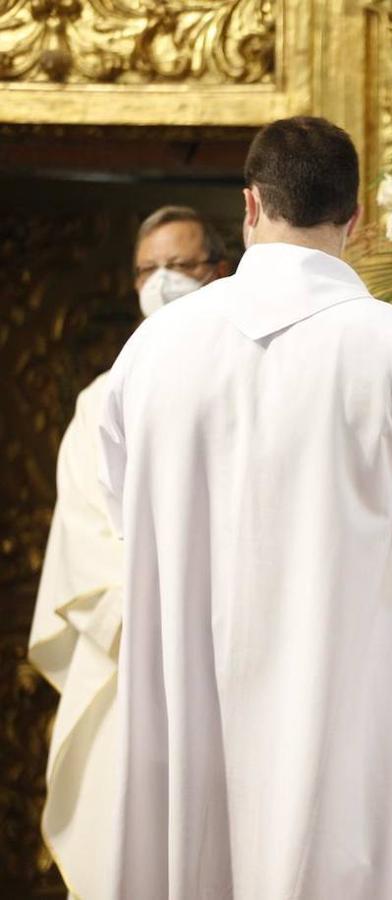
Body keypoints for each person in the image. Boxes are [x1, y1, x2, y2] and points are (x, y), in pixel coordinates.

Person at [98, 116, 392, 898]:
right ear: (354, 222)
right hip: (342, 672)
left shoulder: (151, 349)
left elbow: (128, 506)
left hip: (189, 671)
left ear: (250, 207)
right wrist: (379, 578)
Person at [28, 205, 230, 899]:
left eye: (182, 265)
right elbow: (87, 541)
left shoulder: (255, 387)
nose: (164, 282)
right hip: (135, 671)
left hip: (236, 665)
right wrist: (166, 620)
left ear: (221, 271)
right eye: (150, 269)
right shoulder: (101, 401)